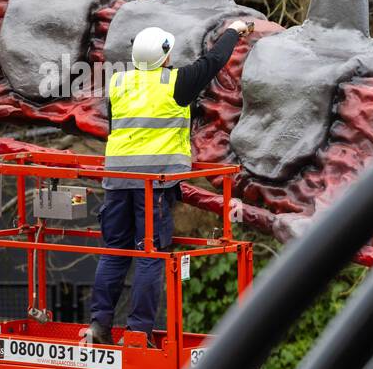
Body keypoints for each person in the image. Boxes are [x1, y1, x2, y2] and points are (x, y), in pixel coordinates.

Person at [86, 20, 252, 346]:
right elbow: (214, 61)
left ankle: (98, 326)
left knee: (114, 251)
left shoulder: (118, 83)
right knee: (151, 254)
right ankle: (137, 334)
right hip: (154, 186)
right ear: (164, 57)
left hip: (117, 181)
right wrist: (235, 29)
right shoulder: (175, 82)